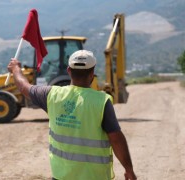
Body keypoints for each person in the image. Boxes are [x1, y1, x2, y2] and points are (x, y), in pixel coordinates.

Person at [7, 50, 137, 180]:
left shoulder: (51, 95)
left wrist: (16, 69)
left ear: (69, 70)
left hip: (61, 176)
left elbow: (24, 87)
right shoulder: (101, 101)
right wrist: (128, 169)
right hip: (94, 176)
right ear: (92, 73)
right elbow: (116, 138)